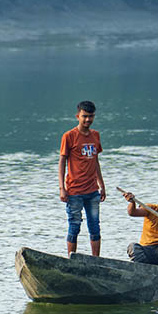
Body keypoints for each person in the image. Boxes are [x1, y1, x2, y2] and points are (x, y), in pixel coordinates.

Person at [58, 101, 107, 256]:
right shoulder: (69, 136)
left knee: (95, 227)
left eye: (90, 116)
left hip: (92, 190)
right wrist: (62, 188)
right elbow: (62, 162)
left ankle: (96, 260)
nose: (87, 120)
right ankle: (71, 259)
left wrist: (102, 185)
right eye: (84, 116)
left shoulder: (95, 135)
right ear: (77, 116)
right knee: (74, 226)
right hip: (74, 191)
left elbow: (95, 161)